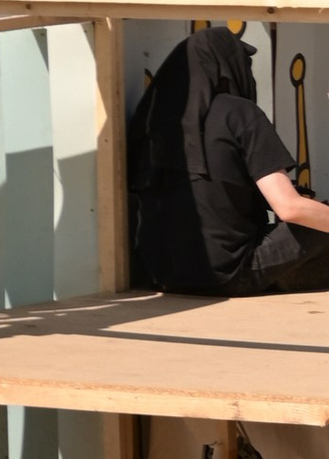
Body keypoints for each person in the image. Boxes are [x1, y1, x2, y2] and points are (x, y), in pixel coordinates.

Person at [135, 23, 329, 297]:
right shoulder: (238, 113)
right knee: (319, 216)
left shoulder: (149, 122)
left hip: (163, 275)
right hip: (230, 275)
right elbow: (289, 209)